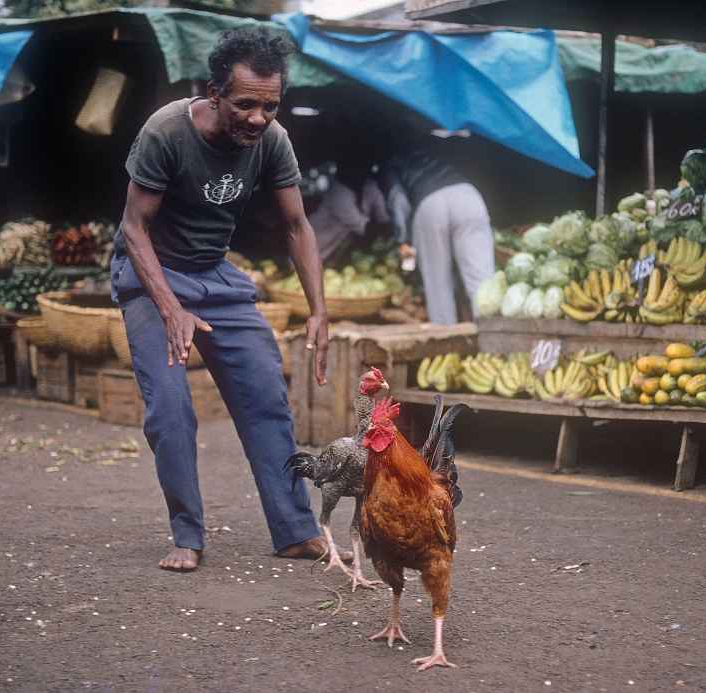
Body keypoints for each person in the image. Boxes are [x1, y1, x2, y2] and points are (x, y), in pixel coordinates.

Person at [110, 26, 336, 572]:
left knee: (265, 397)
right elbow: (134, 228)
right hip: (151, 276)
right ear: (214, 93)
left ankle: (295, 531)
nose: (258, 118)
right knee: (170, 408)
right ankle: (186, 535)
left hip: (215, 277)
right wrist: (170, 310)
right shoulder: (166, 132)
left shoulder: (272, 140)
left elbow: (297, 227)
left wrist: (320, 311)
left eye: (270, 106)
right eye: (245, 105)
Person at [379, 147, 494, 324]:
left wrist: (403, 241)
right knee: (482, 280)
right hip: (468, 196)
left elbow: (398, 201)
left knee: (438, 284)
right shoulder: (434, 154)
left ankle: (446, 341)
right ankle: (496, 337)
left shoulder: (390, 164)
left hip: (430, 203)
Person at [308, 172, 388, 262]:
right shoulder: (338, 193)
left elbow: (383, 217)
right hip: (312, 246)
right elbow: (364, 227)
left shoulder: (368, 185)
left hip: (332, 251)